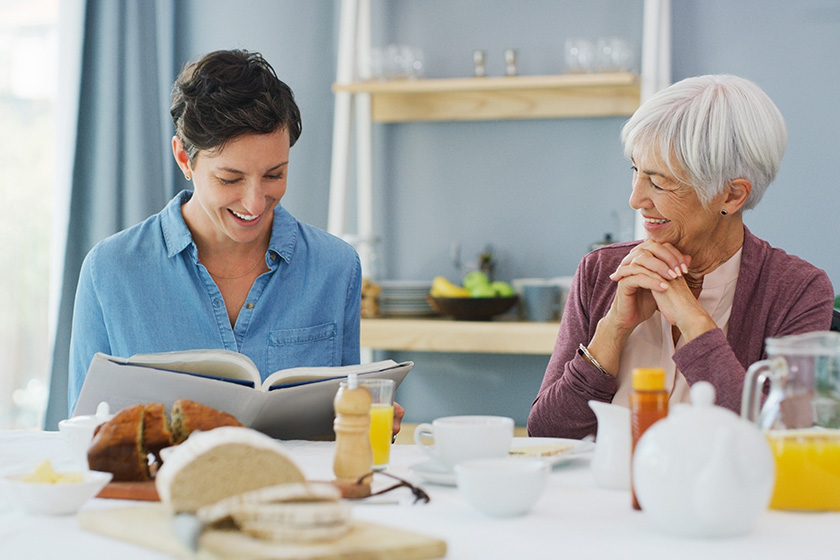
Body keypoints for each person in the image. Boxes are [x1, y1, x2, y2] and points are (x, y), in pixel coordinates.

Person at [68, 49, 404, 434]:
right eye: (230, 179)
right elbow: (82, 437)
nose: (254, 202)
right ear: (184, 158)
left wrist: (365, 424)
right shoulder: (109, 271)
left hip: (296, 492)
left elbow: (343, 428)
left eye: (274, 175)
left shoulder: (336, 266)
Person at [528, 74, 834, 439]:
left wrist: (694, 323)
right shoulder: (601, 272)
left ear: (732, 196)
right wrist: (612, 330)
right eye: (636, 172)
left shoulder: (798, 291)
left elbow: (778, 443)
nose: (636, 199)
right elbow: (546, 435)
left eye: (658, 182)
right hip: (605, 496)